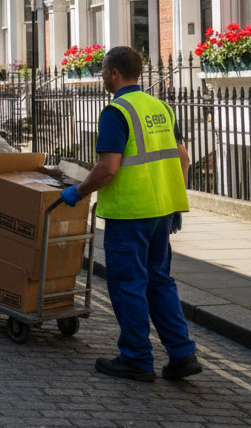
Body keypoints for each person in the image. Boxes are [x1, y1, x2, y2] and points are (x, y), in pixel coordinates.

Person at [59, 46, 201, 382]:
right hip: (161, 213)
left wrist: (76, 192)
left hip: (129, 215)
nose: (102, 77)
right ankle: (182, 354)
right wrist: (176, 202)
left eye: (103, 71)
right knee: (160, 282)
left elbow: (108, 169)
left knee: (128, 286)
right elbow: (183, 158)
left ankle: (136, 358)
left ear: (114, 73)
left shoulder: (116, 112)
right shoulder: (161, 107)